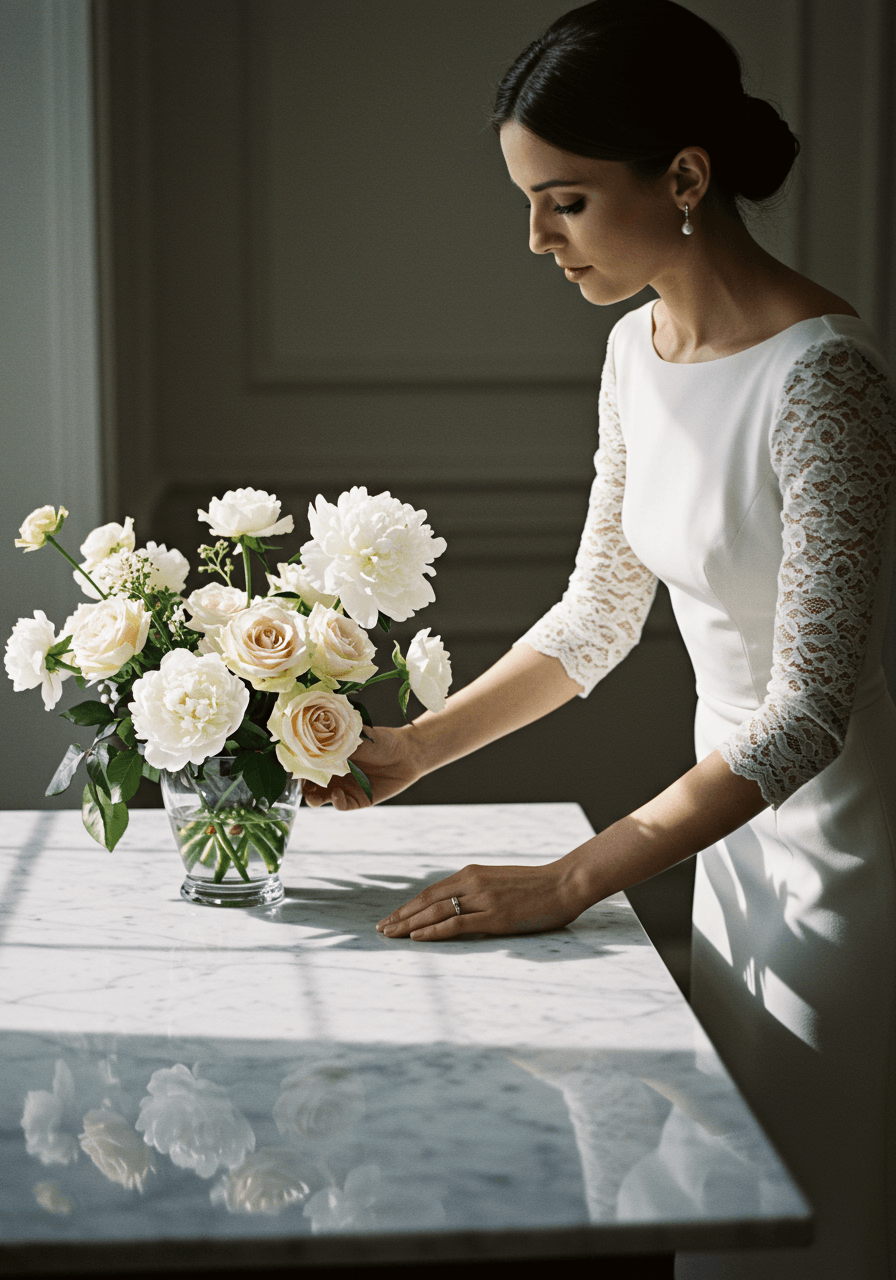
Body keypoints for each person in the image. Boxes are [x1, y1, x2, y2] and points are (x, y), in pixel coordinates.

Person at [302, 2, 896, 1276]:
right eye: (527, 201)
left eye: (562, 201)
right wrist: (411, 750)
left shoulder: (823, 378)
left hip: (847, 857)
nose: (533, 238)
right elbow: (599, 611)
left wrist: (573, 877)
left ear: (683, 177)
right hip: (722, 840)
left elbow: (805, 713)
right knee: (711, 1211)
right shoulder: (634, 347)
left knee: (813, 1221)